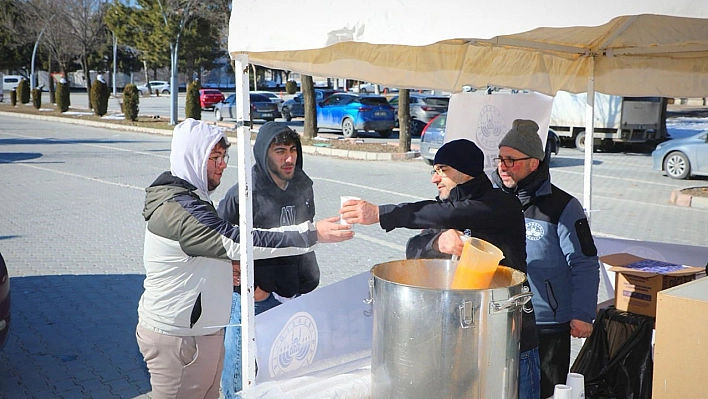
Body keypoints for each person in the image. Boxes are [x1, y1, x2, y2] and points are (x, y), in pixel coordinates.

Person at [136, 118, 350, 399]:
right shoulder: (180, 208)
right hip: (179, 336)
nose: (223, 164)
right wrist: (311, 235)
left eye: (224, 156)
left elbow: (205, 253)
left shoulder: (194, 197)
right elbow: (238, 241)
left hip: (202, 331)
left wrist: (227, 269)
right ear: (192, 158)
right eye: (215, 158)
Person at [340, 138, 541, 399]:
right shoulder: (444, 207)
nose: (435, 178)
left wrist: (381, 213)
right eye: (433, 171)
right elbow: (414, 248)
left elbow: (452, 215)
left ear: (465, 171)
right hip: (457, 344)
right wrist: (438, 242)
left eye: (441, 170)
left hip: (509, 341)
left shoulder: (501, 205)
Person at [216, 122, 353, 397]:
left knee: (281, 373)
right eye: (280, 151)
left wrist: (306, 279)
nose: (289, 158)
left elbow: (303, 235)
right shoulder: (244, 193)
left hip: (293, 295)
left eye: (293, 150)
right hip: (254, 298)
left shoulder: (303, 185)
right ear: (265, 154)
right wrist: (239, 275)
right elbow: (220, 240)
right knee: (242, 373)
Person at [491, 119, 600, 399]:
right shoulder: (492, 202)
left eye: (511, 160)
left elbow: (584, 261)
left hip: (546, 324)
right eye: (500, 158)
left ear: (534, 163)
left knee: (546, 393)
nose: (503, 166)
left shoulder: (563, 206)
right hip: (499, 319)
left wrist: (582, 313)